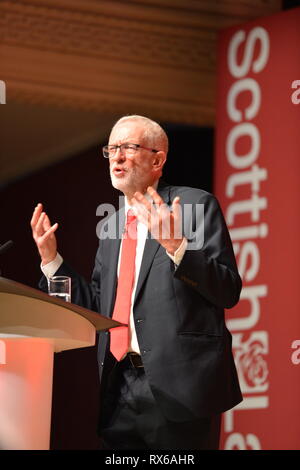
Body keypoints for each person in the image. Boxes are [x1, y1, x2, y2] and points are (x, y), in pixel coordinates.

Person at [30, 115, 242, 450]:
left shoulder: (194, 206)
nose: (116, 156)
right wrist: (51, 261)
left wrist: (177, 247)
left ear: (158, 159)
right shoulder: (112, 228)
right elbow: (99, 307)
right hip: (120, 388)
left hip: (178, 387)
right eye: (111, 148)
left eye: (128, 147)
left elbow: (227, 289)